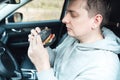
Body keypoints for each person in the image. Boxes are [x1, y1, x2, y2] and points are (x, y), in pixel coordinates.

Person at [28, 0, 120, 80]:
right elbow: (57, 58)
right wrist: (40, 46)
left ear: (96, 21)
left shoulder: (104, 68)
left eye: (73, 14)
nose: (64, 20)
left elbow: (45, 67)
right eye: (66, 13)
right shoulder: (74, 38)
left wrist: (43, 67)